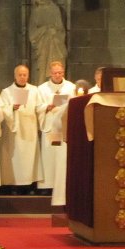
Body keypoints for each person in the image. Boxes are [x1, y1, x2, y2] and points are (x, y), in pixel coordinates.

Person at [37, 61, 76, 204]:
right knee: (49, 157)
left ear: (63, 72)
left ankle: (62, 186)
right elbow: (38, 106)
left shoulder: (71, 87)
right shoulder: (42, 88)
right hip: (50, 125)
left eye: (60, 72)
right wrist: (47, 107)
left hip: (63, 126)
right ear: (50, 73)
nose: (58, 75)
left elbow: (75, 104)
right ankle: (47, 186)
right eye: (55, 73)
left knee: (61, 157)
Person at [0, 64, 43, 192]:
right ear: (15, 76)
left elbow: (39, 107)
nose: (22, 77)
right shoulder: (7, 92)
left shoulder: (34, 90)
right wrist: (11, 108)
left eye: (25, 75)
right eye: (20, 75)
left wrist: (47, 108)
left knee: (30, 158)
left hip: (30, 129)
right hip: (15, 131)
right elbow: (2, 109)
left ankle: (29, 185)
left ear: (28, 76)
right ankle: (15, 185)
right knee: (16, 159)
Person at [28, 0, 67, 84]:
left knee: (56, 62)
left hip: (55, 42)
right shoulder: (35, 11)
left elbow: (60, 28)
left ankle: (57, 81)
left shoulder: (55, 9)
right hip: (41, 43)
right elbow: (32, 31)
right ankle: (41, 83)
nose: (37, 1)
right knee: (41, 67)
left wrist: (55, 31)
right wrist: (45, 29)